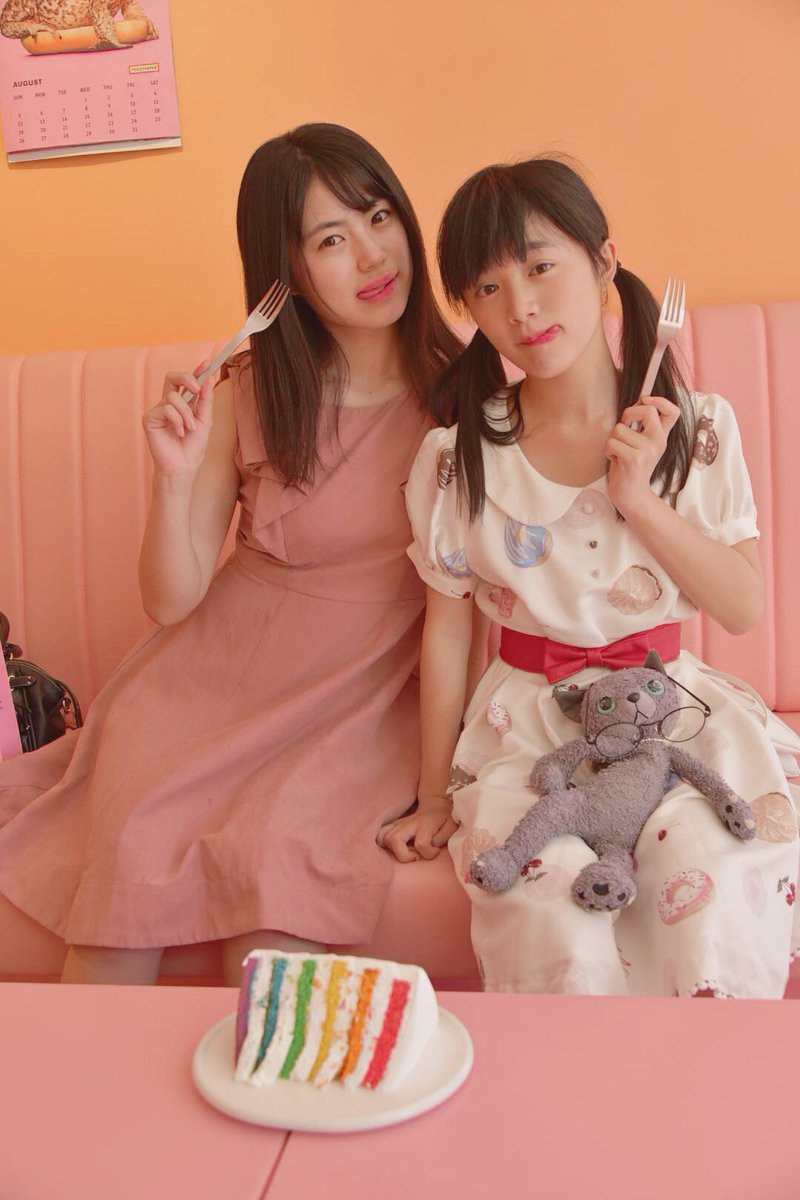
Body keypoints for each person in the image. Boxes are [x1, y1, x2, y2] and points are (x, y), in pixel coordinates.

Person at [0, 122, 461, 985]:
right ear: (286, 271)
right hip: (208, 681)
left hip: (358, 698)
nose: (372, 255)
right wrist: (173, 478)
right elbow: (171, 601)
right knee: (124, 881)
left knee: (275, 889)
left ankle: (270, 1070)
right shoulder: (250, 390)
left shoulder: (468, 395)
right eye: (331, 239)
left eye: (377, 216)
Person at [378, 158, 800, 997]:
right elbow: (448, 631)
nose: (521, 307)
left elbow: (742, 605)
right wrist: (433, 796)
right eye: (488, 288)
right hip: (528, 729)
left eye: (541, 266)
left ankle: (699, 1076)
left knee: (714, 881)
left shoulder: (695, 428)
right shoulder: (459, 456)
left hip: (673, 714)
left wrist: (638, 499)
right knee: (548, 911)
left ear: (605, 261)